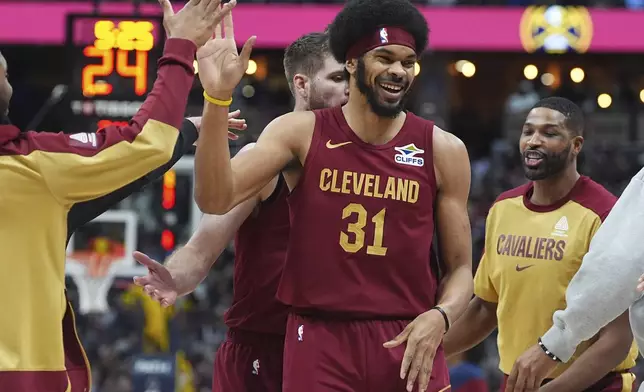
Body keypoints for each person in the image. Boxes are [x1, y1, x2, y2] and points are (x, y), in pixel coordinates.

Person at [192, 0, 474, 390]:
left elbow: (461, 270)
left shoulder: (444, 149)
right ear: (353, 64)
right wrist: (217, 99)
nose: (398, 70)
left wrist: (441, 316)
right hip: (320, 336)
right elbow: (214, 198)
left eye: (408, 62)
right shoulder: (298, 132)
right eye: (385, 58)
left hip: (410, 335)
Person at [0, 0, 236, 390]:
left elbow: (119, 178)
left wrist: (188, 134)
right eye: (7, 73)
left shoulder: (34, 184)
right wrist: (179, 48)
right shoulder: (31, 169)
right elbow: (144, 145)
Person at [132, 31, 348, 392]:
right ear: (302, 84)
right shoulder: (264, 160)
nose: (348, 90)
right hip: (264, 350)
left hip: (335, 347)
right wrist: (175, 278)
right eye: (338, 78)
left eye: (352, 81)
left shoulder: (362, 165)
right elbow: (201, 249)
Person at [443, 97, 638, 392]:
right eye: (528, 131)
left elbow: (617, 338)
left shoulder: (604, 215)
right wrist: (429, 351)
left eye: (550, 133)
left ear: (576, 145)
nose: (534, 141)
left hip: (594, 385)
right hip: (517, 382)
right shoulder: (503, 208)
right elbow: (485, 308)